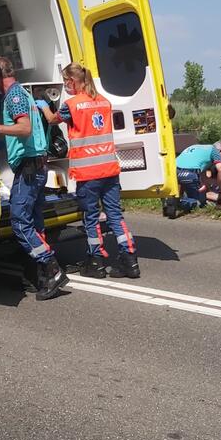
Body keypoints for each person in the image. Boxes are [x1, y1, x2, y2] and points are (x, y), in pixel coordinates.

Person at [37, 63, 140, 279]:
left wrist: (43, 104)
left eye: (66, 82)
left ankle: (96, 262)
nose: (66, 86)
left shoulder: (71, 104)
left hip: (88, 172)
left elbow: (52, 119)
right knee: (115, 215)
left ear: (73, 81)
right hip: (110, 169)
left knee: (91, 218)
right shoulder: (104, 101)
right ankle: (129, 259)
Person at [0, 56, 68, 301]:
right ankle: (38, 275)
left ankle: (51, 267)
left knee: (20, 222)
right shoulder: (22, 94)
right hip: (36, 166)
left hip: (29, 168)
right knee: (35, 223)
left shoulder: (13, 96)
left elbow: (24, 128)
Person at [174, 142, 221, 211]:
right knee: (200, 203)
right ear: (220, 151)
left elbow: (203, 177)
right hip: (189, 173)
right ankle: (177, 203)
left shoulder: (197, 147)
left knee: (191, 194)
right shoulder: (214, 150)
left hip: (173, 170)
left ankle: (174, 200)